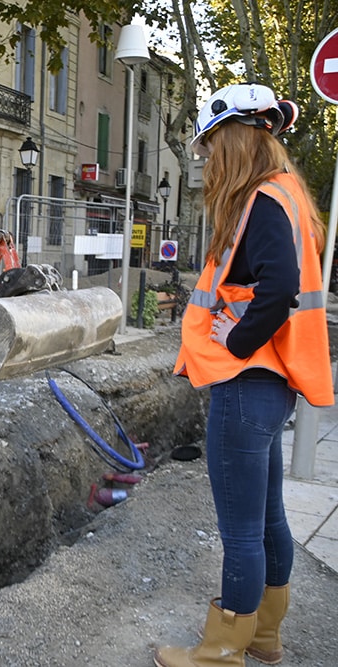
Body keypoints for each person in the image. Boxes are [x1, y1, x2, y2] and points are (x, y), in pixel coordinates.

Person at [157, 83, 334, 667]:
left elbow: (278, 290)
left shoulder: (260, 201)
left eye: (211, 145)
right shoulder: (289, 196)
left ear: (234, 138)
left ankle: (220, 651)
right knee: (268, 518)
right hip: (272, 384)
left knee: (240, 530)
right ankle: (264, 636)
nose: (207, 157)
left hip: (245, 384)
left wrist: (234, 342)